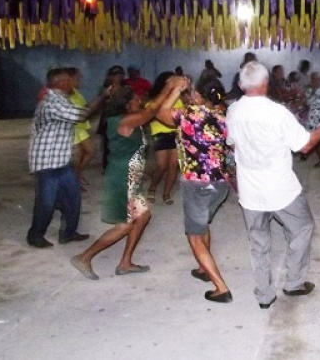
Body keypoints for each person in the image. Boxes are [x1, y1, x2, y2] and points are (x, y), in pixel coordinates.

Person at [225, 62, 320, 309]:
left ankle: (264, 295)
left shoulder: (233, 110)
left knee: (258, 242)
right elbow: (306, 145)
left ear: (240, 84)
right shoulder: (277, 113)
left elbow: (233, 145)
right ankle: (293, 283)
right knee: (302, 228)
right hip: (280, 189)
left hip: (250, 191)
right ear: (266, 84)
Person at [70, 80, 176, 280]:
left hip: (131, 177)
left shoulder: (129, 119)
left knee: (143, 216)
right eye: (136, 99)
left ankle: (125, 262)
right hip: (121, 178)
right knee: (124, 226)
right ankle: (84, 257)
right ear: (127, 104)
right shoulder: (124, 121)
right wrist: (169, 87)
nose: (140, 100)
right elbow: (152, 110)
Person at [156, 75, 236, 303]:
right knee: (202, 225)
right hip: (219, 185)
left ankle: (221, 288)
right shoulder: (221, 116)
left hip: (197, 186)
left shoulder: (188, 116)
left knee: (194, 237)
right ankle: (203, 269)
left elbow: (161, 114)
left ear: (198, 95)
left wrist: (174, 90)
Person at [27, 68, 106, 248]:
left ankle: (68, 233)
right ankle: (35, 235)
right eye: (70, 81)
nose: (74, 84)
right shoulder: (50, 102)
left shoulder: (60, 99)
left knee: (73, 199)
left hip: (61, 161)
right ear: (61, 83)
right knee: (46, 203)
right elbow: (81, 115)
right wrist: (102, 96)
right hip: (46, 163)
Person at [146, 72, 182, 205]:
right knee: (161, 165)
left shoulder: (177, 99)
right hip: (160, 133)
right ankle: (152, 187)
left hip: (175, 134)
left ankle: (166, 192)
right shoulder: (155, 99)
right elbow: (154, 114)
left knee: (173, 165)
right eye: (171, 82)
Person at [65, 68, 95, 191]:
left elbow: (84, 108)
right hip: (73, 127)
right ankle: (75, 179)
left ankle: (77, 176)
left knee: (90, 151)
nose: (80, 81)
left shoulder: (76, 92)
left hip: (80, 127)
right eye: (77, 78)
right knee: (78, 156)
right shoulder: (66, 94)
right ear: (70, 80)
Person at [98, 65, 126, 169]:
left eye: (121, 75)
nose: (119, 77)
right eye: (117, 75)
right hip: (108, 121)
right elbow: (104, 104)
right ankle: (108, 168)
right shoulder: (106, 89)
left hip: (121, 121)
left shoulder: (125, 88)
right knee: (108, 147)